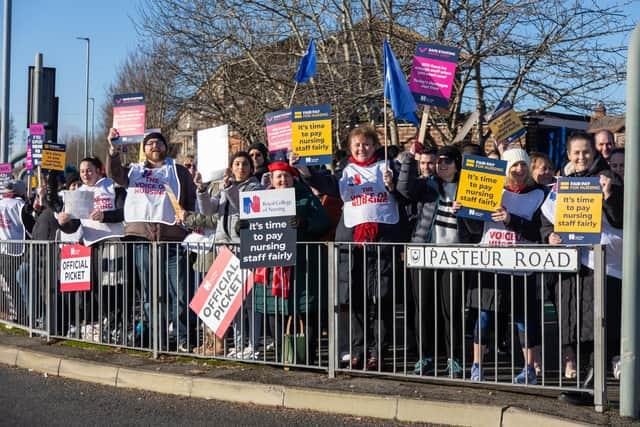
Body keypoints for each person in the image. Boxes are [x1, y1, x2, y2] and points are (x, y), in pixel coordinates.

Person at [299, 125, 408, 370]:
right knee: (355, 299)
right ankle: (357, 350)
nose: (362, 148)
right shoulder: (344, 172)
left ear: (375, 146)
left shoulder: (390, 167)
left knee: (382, 298)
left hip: (382, 243)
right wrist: (303, 166)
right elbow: (323, 183)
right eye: (357, 145)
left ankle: (378, 352)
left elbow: (407, 194)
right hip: (354, 244)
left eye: (367, 144)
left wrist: (393, 186)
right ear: (350, 148)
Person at [540, 131, 623, 404]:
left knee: (599, 326)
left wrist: (609, 196)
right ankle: (586, 382)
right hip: (575, 264)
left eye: (586, 152)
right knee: (578, 324)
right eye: (575, 152)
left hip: (604, 264)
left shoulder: (611, 178)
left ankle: (594, 386)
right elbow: (546, 217)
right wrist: (549, 235)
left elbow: (622, 218)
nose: (581, 157)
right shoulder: (563, 185)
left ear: (595, 153)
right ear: (568, 155)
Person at [106, 128, 197, 352]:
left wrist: (192, 220)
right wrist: (113, 148)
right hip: (144, 239)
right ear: (144, 149)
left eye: (158, 142)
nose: (154, 146)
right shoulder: (134, 171)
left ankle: (185, 337)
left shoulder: (178, 171)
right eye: (149, 143)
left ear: (165, 147)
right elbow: (114, 173)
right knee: (151, 293)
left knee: (181, 292)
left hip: (173, 239)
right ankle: (158, 336)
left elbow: (191, 199)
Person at [469, 148, 546, 384]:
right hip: (490, 263)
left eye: (523, 165)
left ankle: (529, 369)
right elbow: (473, 229)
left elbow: (538, 231)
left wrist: (511, 220)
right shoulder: (491, 191)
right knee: (483, 316)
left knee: (524, 318)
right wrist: (463, 211)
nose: (519, 170)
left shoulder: (538, 194)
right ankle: (477, 366)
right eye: (514, 165)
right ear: (506, 168)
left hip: (522, 266)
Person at [397, 145, 467, 377]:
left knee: (452, 309)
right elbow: (404, 188)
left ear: (457, 164)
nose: (442, 165)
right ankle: (423, 356)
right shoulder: (428, 185)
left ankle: (453, 357)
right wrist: (409, 158)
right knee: (423, 308)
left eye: (447, 160)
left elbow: (478, 222)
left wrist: (466, 211)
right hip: (425, 251)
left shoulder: (468, 187)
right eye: (439, 161)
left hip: (454, 254)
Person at [252, 161, 330, 363]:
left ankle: (307, 356)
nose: (282, 180)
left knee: (307, 310)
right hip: (272, 267)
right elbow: (250, 227)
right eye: (279, 176)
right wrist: (242, 226)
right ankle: (282, 356)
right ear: (272, 179)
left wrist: (306, 223)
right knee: (275, 312)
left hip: (304, 266)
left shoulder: (306, 198)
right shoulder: (260, 200)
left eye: (286, 176)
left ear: (293, 178)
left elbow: (324, 222)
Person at [196, 151, 262, 358]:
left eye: (244, 164)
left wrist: (229, 188)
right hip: (223, 246)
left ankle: (253, 344)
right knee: (233, 301)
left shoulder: (255, 187)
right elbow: (208, 210)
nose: (240, 168)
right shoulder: (224, 187)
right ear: (230, 167)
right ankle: (240, 344)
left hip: (243, 246)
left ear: (251, 168)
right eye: (236, 164)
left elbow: (244, 207)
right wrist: (201, 189)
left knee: (249, 300)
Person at [55, 157, 126, 343]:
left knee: (114, 284)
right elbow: (74, 225)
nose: (85, 174)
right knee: (96, 286)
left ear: (98, 170)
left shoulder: (111, 186)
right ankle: (103, 321)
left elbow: (124, 212)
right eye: (82, 171)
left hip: (113, 241)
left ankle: (117, 322)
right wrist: (64, 223)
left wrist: (105, 216)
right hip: (92, 244)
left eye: (89, 170)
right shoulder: (78, 193)